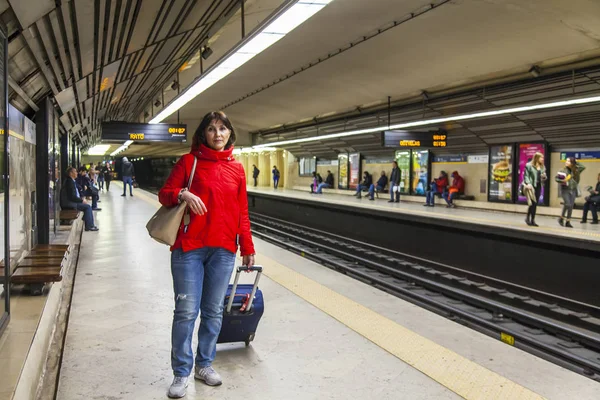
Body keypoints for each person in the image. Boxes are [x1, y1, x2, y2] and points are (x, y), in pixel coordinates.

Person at [158, 111, 255, 399]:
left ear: (229, 133)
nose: (217, 134)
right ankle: (181, 372)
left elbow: (242, 211)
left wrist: (247, 247)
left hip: (224, 249)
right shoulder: (189, 162)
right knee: (186, 312)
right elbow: (165, 193)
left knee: (213, 312)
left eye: (223, 128)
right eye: (211, 129)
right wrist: (183, 194)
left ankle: (204, 364)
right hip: (189, 248)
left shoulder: (237, 169)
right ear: (203, 134)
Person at [60, 167, 98, 231]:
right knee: (88, 207)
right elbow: (72, 196)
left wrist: (81, 198)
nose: (77, 173)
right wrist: (81, 200)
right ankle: (89, 226)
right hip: (69, 204)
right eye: (75, 172)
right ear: (71, 173)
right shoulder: (69, 182)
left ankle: (87, 219)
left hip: (70, 202)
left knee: (87, 206)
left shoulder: (70, 181)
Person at [556, 156, 585, 228]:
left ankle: (567, 221)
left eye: (568, 161)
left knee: (571, 206)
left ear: (572, 163)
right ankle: (561, 218)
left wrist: (576, 162)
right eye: (566, 161)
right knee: (568, 204)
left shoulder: (576, 170)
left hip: (573, 190)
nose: (566, 162)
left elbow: (583, 167)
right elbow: (556, 178)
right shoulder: (562, 170)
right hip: (565, 189)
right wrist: (563, 180)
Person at [522, 153, 546, 226]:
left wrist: (544, 177)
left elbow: (544, 176)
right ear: (537, 158)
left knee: (535, 203)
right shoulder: (529, 165)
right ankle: (529, 218)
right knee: (532, 203)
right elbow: (526, 176)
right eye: (541, 158)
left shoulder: (542, 167)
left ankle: (532, 219)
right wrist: (528, 183)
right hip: (531, 186)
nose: (542, 159)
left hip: (538, 186)